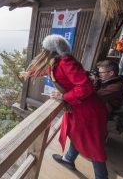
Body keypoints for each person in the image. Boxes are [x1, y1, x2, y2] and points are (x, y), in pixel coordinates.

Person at [20, 34, 108, 179]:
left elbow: (86, 87)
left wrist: (64, 96)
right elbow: (48, 71)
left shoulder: (66, 63)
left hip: (87, 110)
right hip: (78, 107)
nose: (42, 50)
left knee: (93, 145)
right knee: (75, 133)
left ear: (51, 50)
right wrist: (29, 73)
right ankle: (68, 159)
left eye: (44, 48)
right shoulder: (56, 61)